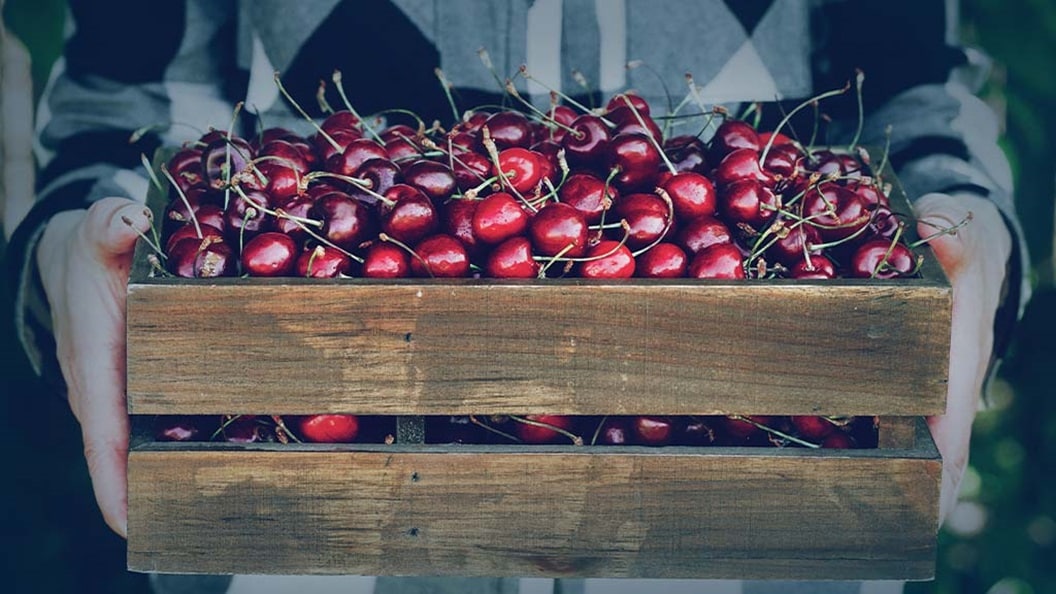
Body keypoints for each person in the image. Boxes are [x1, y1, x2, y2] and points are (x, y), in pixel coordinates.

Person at [4, 1, 1031, 593]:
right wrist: (74, 237)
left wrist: (964, 227)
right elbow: (131, 97)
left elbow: (917, 90)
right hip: (305, 518)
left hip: (765, 519)